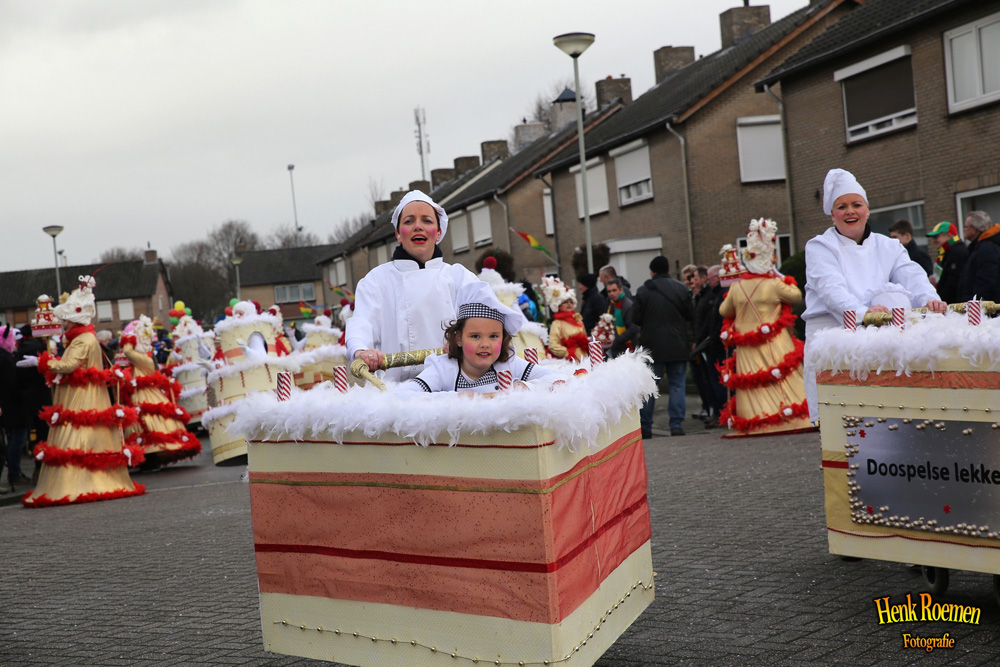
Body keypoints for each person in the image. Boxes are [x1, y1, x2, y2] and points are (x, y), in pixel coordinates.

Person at [802, 169, 945, 423]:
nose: (850, 211)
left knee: (884, 417)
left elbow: (911, 275)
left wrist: (929, 300)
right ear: (832, 214)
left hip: (879, 336)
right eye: (842, 207)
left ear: (867, 210)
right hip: (832, 336)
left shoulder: (888, 245)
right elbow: (831, 289)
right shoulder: (820, 246)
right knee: (839, 423)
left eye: (856, 205)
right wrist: (863, 313)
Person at [18, 275, 144, 507]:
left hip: (80, 396)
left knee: (77, 434)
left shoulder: (82, 340)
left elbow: (69, 366)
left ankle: (77, 482)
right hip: (86, 393)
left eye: (66, 320)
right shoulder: (86, 337)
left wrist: (43, 362)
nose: (64, 324)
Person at [346, 190, 482, 382]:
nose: (418, 226)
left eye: (427, 220)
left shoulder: (460, 277)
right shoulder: (376, 280)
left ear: (439, 233)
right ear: (398, 234)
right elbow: (362, 323)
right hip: (396, 391)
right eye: (409, 221)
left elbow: (486, 321)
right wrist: (360, 350)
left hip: (454, 386)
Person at [718, 219, 811, 435]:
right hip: (774, 341)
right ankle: (787, 414)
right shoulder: (774, 284)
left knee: (752, 378)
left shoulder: (737, 286)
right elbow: (796, 296)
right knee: (780, 375)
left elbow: (724, 311)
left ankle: (754, 418)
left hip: (745, 344)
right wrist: (782, 278)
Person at [397, 282, 565, 395]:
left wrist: (527, 386)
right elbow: (404, 395)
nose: (485, 344)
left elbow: (559, 377)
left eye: (493, 336)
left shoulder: (509, 364)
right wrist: (455, 399)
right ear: (459, 338)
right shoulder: (443, 369)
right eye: (475, 336)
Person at [632, 255, 692, 438]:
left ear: (652, 271)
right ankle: (676, 425)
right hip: (678, 344)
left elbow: (636, 318)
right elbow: (691, 315)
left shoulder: (643, 291)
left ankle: (646, 426)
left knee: (650, 386)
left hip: (652, 347)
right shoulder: (682, 289)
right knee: (677, 385)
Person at [540, 277, 588, 361]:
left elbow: (584, 339)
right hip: (567, 360)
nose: (569, 304)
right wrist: (568, 353)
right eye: (565, 302)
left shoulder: (578, 319)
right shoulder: (557, 323)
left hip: (584, 358)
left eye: (571, 302)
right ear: (558, 305)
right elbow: (553, 345)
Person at [956, 211, 1000, 302]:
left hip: (980, 307)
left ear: (974, 229)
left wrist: (976, 304)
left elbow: (986, 281)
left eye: (966, 227)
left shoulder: (986, 249)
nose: (964, 230)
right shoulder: (978, 247)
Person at [925, 222, 968, 304]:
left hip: (955, 305)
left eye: (936, 237)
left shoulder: (958, 252)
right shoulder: (945, 253)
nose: (933, 241)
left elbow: (953, 285)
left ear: (949, 235)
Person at [605, 278, 638, 358]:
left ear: (621, 290)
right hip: (614, 348)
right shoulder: (610, 304)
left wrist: (618, 340)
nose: (611, 293)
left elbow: (634, 328)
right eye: (609, 291)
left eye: (614, 290)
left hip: (626, 349)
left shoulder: (628, 305)